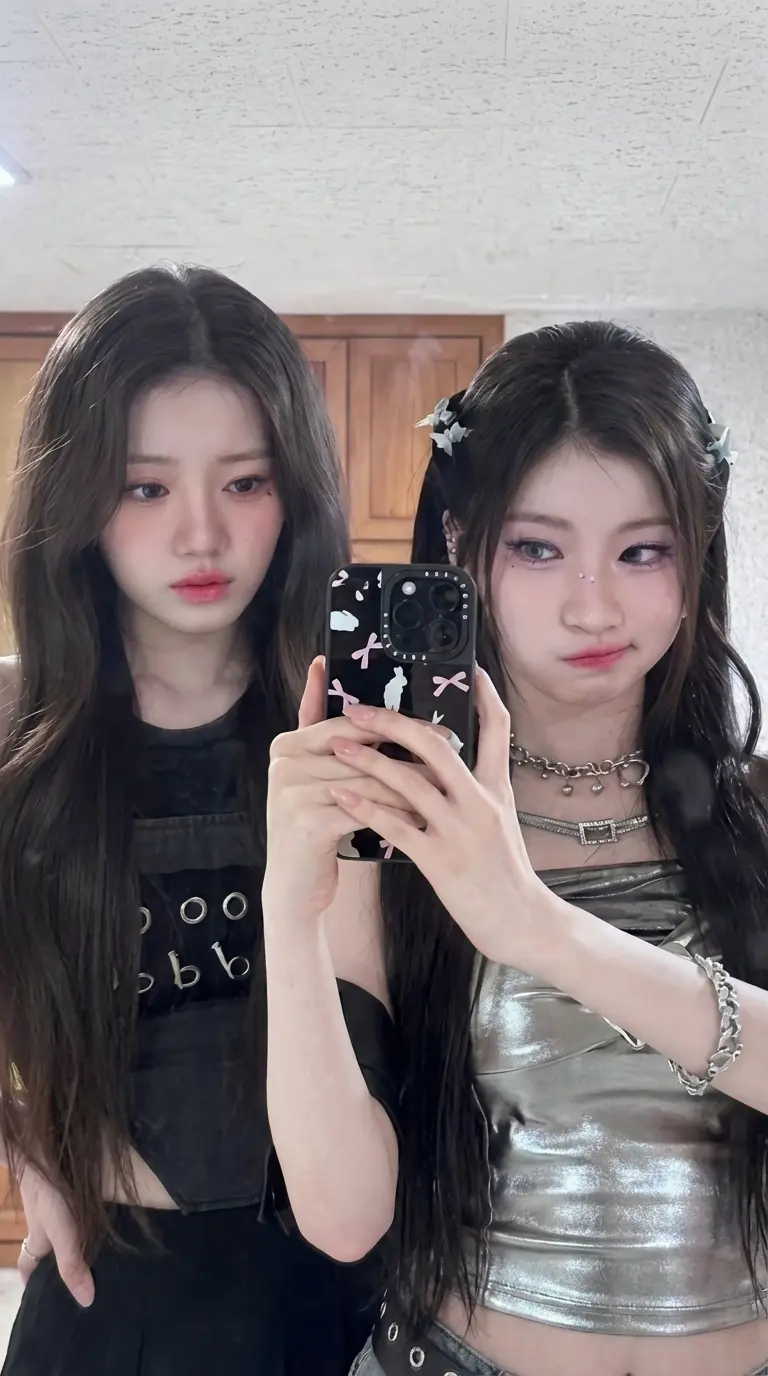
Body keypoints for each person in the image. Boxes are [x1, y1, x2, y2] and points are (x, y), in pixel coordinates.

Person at [267, 321, 768, 1376]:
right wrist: (288, 910)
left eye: (643, 551)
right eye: (538, 548)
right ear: (461, 547)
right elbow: (346, 1219)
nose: (593, 604)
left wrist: (535, 927)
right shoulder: (394, 820)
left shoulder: (754, 817)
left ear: (696, 559)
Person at [0, 264, 397, 1376]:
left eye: (245, 482)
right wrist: (21, 1140)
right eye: (144, 488)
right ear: (77, 500)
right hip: (110, 1304)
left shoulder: (355, 730)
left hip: (341, 1299)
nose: (201, 536)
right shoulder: (17, 732)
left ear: (295, 491)